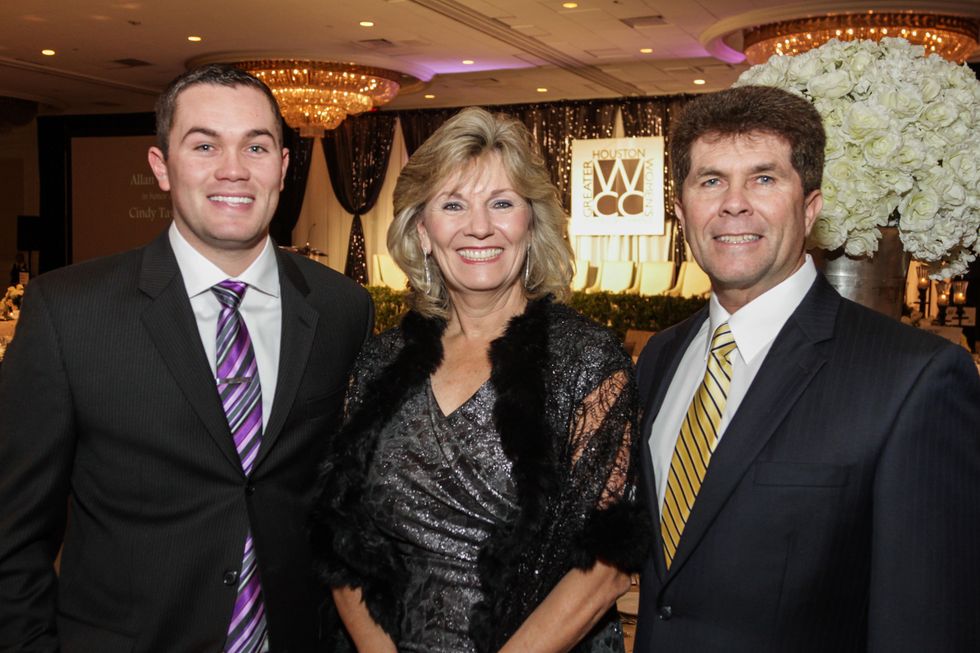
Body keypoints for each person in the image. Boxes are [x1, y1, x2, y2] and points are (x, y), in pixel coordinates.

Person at [0, 64, 373, 652]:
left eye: (256, 145)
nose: (234, 169)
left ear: (282, 166)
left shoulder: (341, 308)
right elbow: (12, 532)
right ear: (161, 168)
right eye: (204, 145)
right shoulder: (69, 313)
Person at [633, 85, 980, 652]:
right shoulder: (660, 357)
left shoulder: (913, 378)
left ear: (811, 208)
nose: (734, 203)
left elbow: (928, 623)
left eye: (764, 178)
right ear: (681, 210)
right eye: (711, 180)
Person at [311, 107, 648, 653]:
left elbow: (606, 565)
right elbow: (340, 533)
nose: (479, 227)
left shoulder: (586, 358)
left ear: (531, 222)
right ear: (421, 230)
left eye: (501, 203)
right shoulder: (380, 362)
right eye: (452, 204)